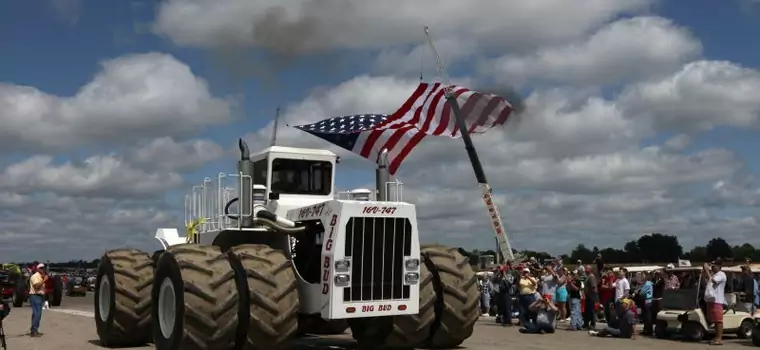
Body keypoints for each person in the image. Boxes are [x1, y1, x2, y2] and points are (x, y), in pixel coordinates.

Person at [703, 261, 727, 345]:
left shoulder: (721, 274)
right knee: (712, 319)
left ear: (719, 266)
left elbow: (713, 281)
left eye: (714, 266)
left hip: (717, 300)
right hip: (711, 299)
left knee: (718, 320)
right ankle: (716, 336)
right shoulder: (713, 274)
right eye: (712, 266)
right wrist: (706, 271)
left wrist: (707, 271)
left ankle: (719, 338)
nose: (712, 267)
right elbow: (707, 280)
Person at [28, 263, 48, 337]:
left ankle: (34, 330)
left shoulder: (40, 276)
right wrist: (44, 280)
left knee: (36, 314)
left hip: (39, 296)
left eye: (44, 268)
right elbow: (36, 286)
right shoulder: (35, 276)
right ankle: (34, 331)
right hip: (35, 296)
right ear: (38, 269)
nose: (43, 269)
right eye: (41, 268)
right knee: (37, 314)